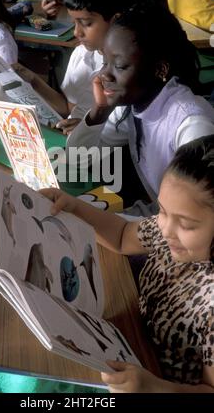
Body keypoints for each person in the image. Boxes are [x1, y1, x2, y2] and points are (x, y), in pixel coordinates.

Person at [40, 134, 214, 392]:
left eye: (186, 224)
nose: (165, 229)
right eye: (163, 211)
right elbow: (122, 237)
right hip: (129, 345)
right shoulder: (170, 234)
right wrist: (73, 207)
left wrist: (152, 387)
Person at [66, 1, 214, 214]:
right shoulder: (133, 106)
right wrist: (99, 111)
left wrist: (120, 228)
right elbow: (77, 160)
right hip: (163, 221)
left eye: (119, 66)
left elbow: (195, 220)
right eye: (105, 62)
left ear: (159, 69)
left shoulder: (192, 126)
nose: (104, 75)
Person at [16, 0, 135, 134]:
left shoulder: (129, 70)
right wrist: (33, 81)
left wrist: (87, 127)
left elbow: (123, 131)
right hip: (75, 141)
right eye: (74, 23)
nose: (77, 32)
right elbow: (69, 107)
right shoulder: (81, 54)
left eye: (86, 23)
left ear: (116, 20)